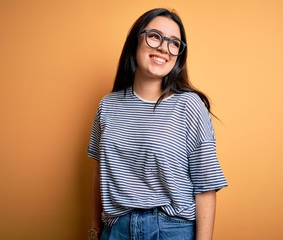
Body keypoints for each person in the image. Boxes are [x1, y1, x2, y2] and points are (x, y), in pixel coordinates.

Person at [87, 8, 227, 240]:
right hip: (116, 231)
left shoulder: (189, 105)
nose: (164, 47)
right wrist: (94, 230)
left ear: (179, 55)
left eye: (174, 43)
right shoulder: (108, 105)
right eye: (155, 36)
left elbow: (205, 187)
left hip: (171, 230)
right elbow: (101, 171)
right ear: (136, 40)